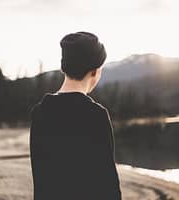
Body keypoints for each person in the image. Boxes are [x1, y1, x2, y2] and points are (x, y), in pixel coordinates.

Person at [30, 31, 122, 200]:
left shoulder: (40, 113)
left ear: (64, 68)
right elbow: (109, 187)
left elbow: (40, 180)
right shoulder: (96, 116)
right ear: (95, 71)